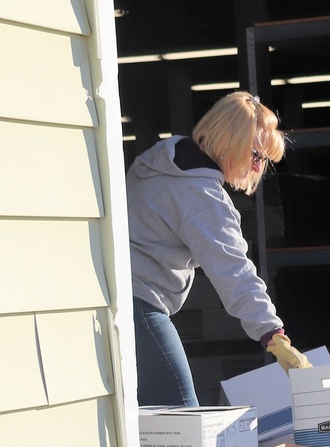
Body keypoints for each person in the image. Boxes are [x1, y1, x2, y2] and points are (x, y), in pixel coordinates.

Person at [127, 90, 311, 406]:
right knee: (183, 417)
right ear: (233, 142)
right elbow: (233, 271)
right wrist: (272, 334)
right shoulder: (202, 196)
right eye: (257, 156)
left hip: (116, 299)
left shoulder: (163, 159)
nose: (258, 169)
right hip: (141, 304)